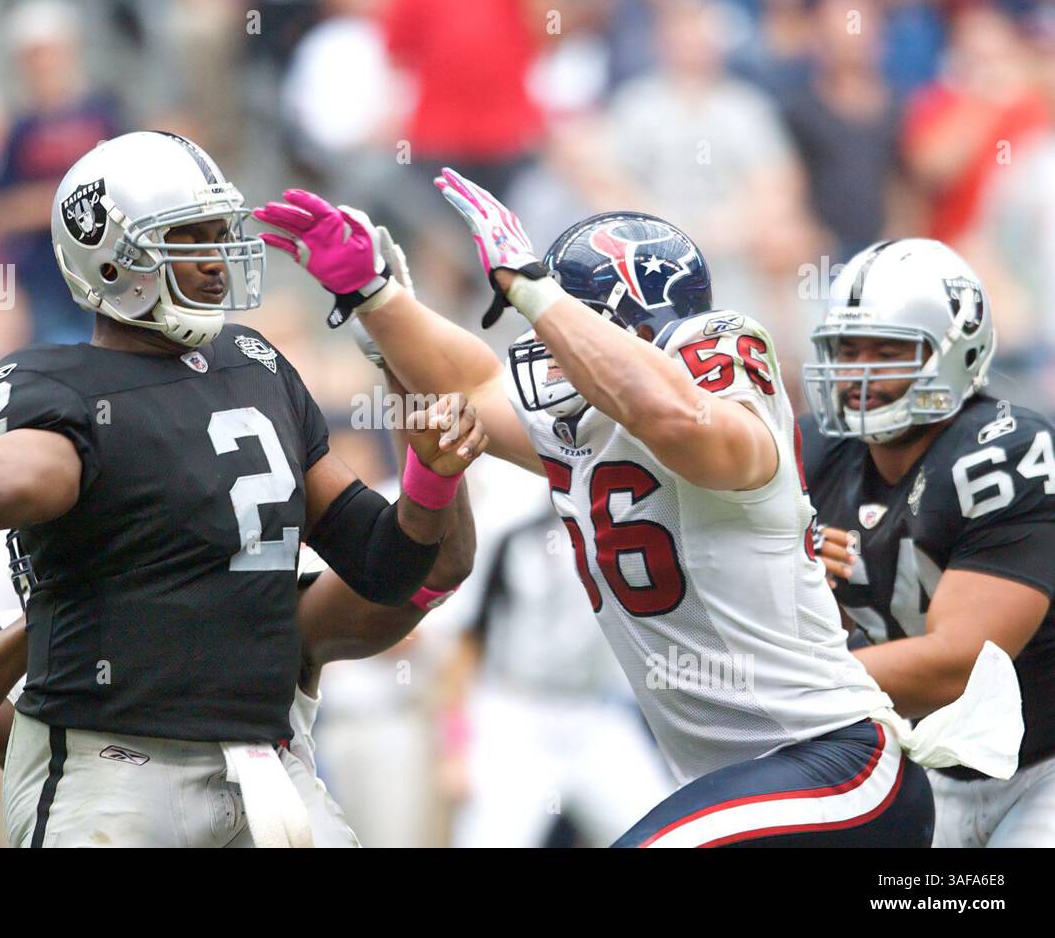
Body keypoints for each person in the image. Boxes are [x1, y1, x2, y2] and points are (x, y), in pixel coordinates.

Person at [0, 131, 483, 847]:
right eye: (187, 239)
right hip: (118, 777)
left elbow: (392, 564)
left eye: (216, 234)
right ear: (110, 260)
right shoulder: (56, 383)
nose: (215, 263)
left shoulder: (257, 363)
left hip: (268, 768)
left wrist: (429, 465)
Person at [251, 173, 1019, 846]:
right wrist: (375, 296)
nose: (547, 350)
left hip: (837, 767)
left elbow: (678, 420)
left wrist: (536, 290)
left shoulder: (725, 385)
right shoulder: (587, 430)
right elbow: (468, 386)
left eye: (567, 326)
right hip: (758, 787)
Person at [0, 447, 476, 848]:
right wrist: (51, 618)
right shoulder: (20, 648)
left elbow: (432, 573)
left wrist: (436, 471)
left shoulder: (268, 615)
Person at [802, 238, 1055, 848]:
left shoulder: (1004, 452)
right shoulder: (814, 455)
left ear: (954, 353)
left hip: (1045, 766)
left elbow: (959, 665)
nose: (858, 376)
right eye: (847, 351)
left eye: (887, 352)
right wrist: (790, 576)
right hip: (928, 770)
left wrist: (783, 684)